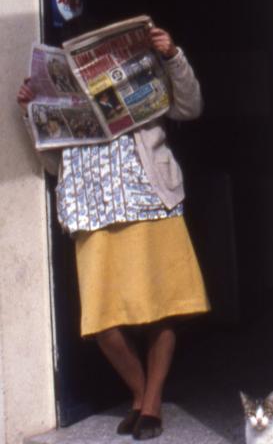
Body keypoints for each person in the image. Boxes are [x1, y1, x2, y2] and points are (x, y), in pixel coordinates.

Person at [17, 25, 209, 441]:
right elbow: (54, 167)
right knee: (102, 321)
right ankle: (140, 394)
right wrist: (33, 114)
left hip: (149, 201)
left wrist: (173, 55)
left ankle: (150, 403)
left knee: (161, 307)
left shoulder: (150, 73)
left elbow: (191, 107)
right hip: (90, 209)